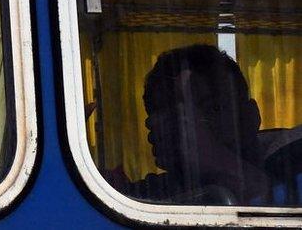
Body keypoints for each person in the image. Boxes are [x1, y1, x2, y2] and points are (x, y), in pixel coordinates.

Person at [112, 44, 270, 205]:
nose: (193, 128)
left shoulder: (286, 161)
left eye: (213, 108)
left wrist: (215, 159)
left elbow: (273, 205)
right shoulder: (159, 192)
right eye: (176, 116)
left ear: (251, 115)